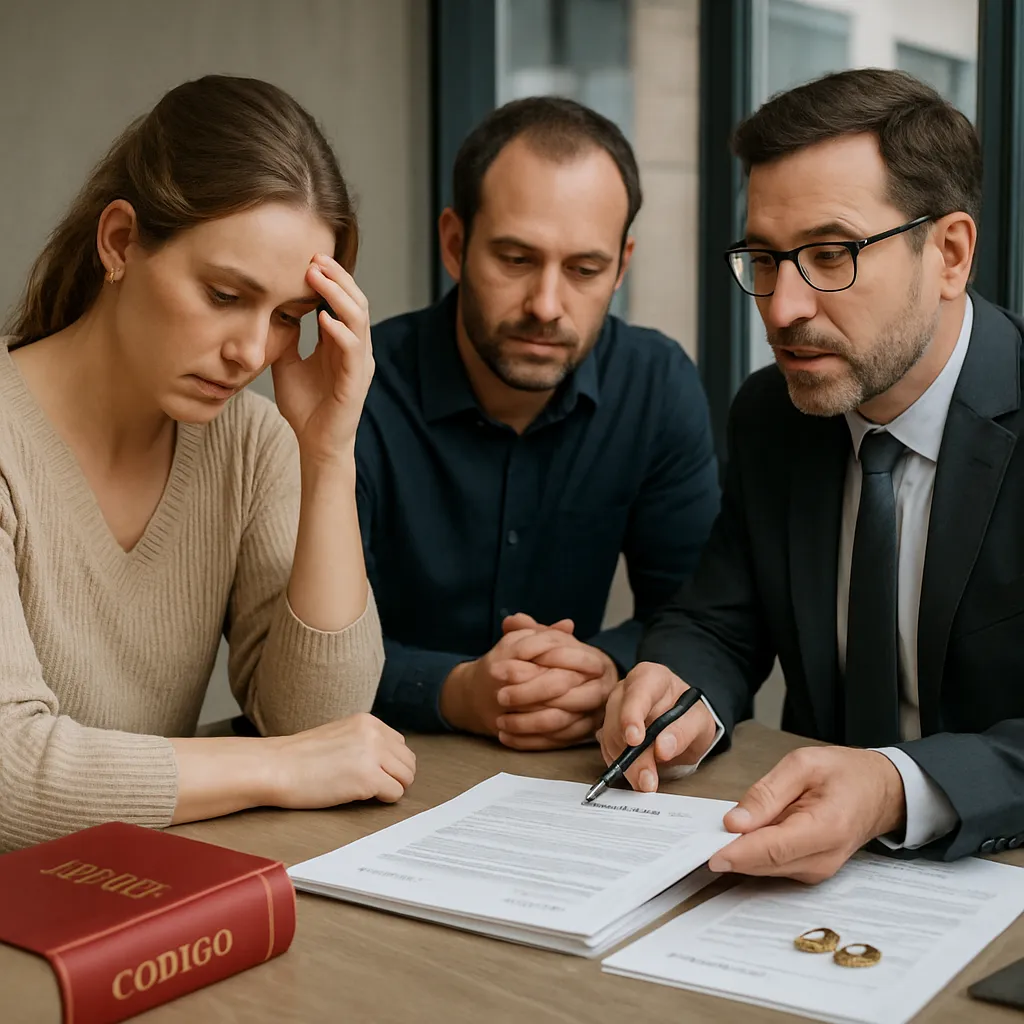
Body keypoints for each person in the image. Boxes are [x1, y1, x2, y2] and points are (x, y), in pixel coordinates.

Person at [592, 68, 1024, 880]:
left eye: (831, 255)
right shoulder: (774, 414)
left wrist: (895, 788)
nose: (783, 307)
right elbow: (719, 621)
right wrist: (677, 689)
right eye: (763, 258)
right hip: (799, 874)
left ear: (950, 253)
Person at [0, 75, 416, 854]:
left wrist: (327, 453)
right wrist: (278, 767)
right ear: (119, 242)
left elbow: (324, 728)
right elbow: (9, 779)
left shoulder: (250, 446)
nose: (252, 352)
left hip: (130, 896)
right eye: (225, 294)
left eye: (288, 317)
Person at [357, 97, 720, 750]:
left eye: (584, 270)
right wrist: (454, 691)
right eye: (516, 259)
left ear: (622, 266)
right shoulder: (357, 389)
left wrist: (605, 667)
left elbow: (695, 614)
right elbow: (305, 652)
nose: (547, 305)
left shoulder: (656, 385)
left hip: (573, 769)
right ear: (455, 244)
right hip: (377, 761)